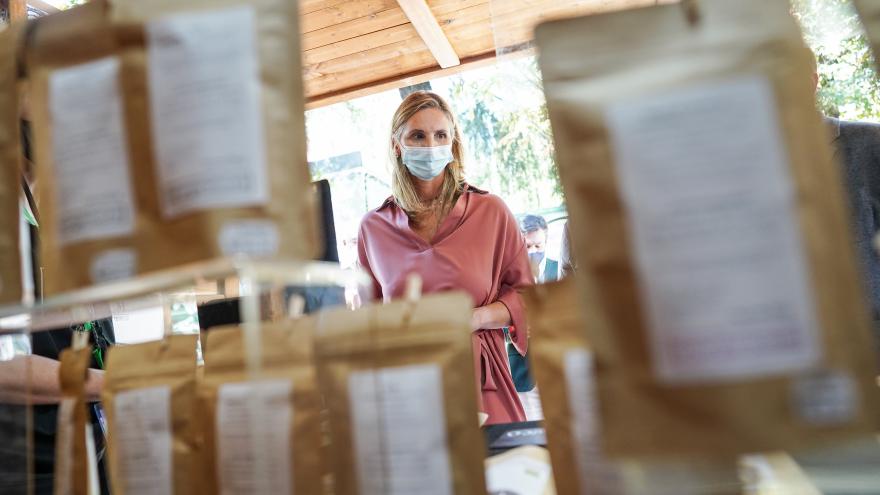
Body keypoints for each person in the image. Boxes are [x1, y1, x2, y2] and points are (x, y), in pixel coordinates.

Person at [357, 91, 533, 425]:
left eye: (440, 135)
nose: (430, 146)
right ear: (397, 145)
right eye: (417, 136)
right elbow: (371, 321)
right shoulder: (373, 228)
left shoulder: (490, 212)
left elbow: (527, 297)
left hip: (484, 383)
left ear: (453, 143)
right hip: (412, 390)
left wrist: (475, 318)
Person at [519, 214, 559, 283]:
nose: (533, 251)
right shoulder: (512, 273)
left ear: (545, 242)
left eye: (538, 246)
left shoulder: (558, 269)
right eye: (527, 246)